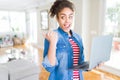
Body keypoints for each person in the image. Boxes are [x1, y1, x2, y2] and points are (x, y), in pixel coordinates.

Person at [42, 0, 85, 80]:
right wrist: (53, 42)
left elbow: (81, 63)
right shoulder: (52, 36)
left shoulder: (78, 38)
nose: (67, 21)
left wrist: (94, 64)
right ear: (57, 19)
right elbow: (49, 67)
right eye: (63, 17)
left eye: (70, 16)